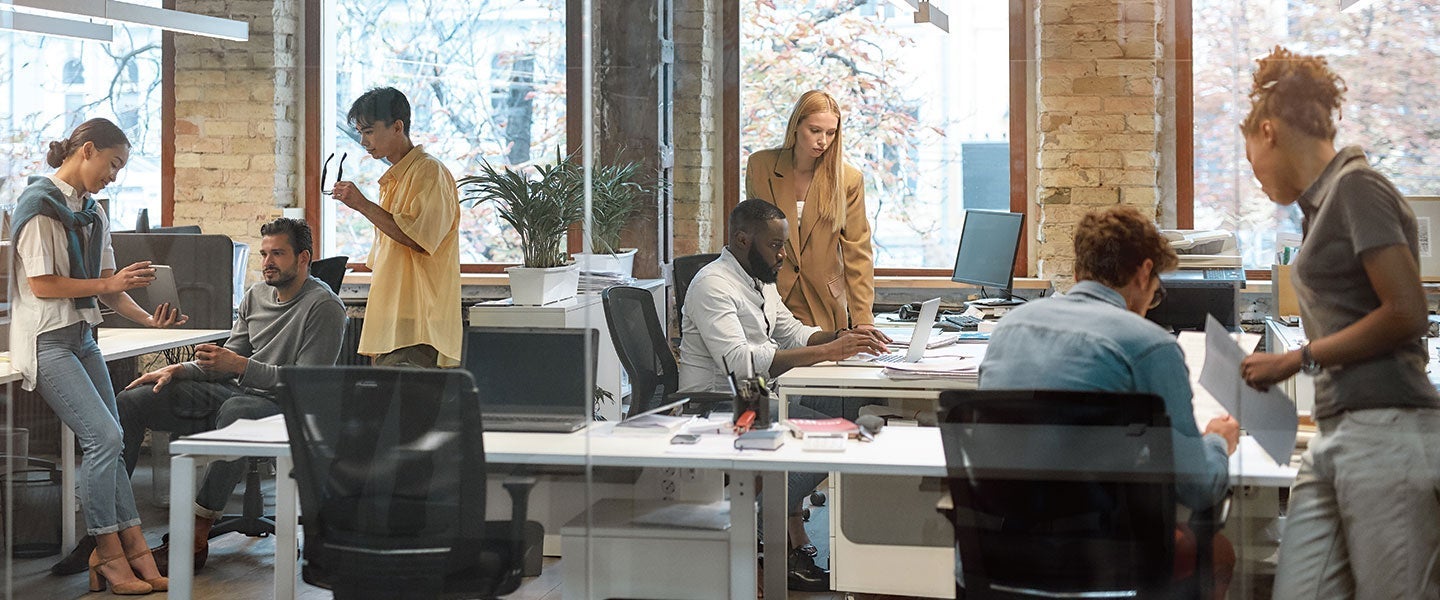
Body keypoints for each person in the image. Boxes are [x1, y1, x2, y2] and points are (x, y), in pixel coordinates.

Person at [1237, 47, 1440, 598]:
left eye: (1250, 157)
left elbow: (1406, 313)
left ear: (1269, 131)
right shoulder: (1321, 207)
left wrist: (1296, 359)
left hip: (1388, 429)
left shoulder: (1357, 188)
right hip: (1337, 432)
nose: (1254, 176)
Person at [979, 205, 1240, 598]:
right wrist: (1218, 440)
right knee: (1220, 551)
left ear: (1079, 272)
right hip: (1106, 561)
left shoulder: (1007, 330)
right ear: (1143, 272)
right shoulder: (1150, 345)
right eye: (1155, 290)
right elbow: (1198, 488)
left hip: (1002, 554)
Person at [10, 117, 187, 594]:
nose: (115, 175)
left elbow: (109, 288)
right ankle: (107, 554)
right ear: (86, 150)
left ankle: (135, 551)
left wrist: (148, 320)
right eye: (113, 164)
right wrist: (109, 284)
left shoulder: (92, 211)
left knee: (114, 439)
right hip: (47, 340)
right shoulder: (39, 205)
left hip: (83, 337)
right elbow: (43, 286)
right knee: (105, 438)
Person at [114, 217, 345, 574]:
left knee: (237, 411)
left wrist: (239, 366)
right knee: (133, 400)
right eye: (264, 253)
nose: (267, 261)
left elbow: (307, 383)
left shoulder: (324, 307)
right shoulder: (255, 295)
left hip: (289, 406)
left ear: (303, 259)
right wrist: (179, 370)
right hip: (238, 391)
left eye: (278, 254)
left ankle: (196, 530)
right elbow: (226, 362)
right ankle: (115, 530)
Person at [677, 198, 888, 591]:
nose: (784, 254)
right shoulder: (712, 285)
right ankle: (754, 533)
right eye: (776, 245)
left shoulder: (758, 279)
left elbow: (791, 332)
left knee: (850, 406)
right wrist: (825, 353)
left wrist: (842, 337)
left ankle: (785, 533)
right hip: (719, 403)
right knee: (833, 433)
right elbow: (739, 363)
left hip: (757, 393)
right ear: (742, 239)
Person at [330, 86, 461, 368]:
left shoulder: (429, 172)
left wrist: (362, 205)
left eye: (369, 131)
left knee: (407, 409)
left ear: (397, 126)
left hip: (417, 322)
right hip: (393, 321)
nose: (363, 141)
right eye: (360, 132)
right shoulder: (394, 178)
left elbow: (419, 238)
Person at [745, 90, 883, 338]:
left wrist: (863, 319)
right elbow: (750, 239)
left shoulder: (848, 180)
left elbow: (857, 252)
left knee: (822, 373)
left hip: (823, 301)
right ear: (796, 125)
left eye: (831, 133)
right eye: (815, 130)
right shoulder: (760, 166)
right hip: (770, 296)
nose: (823, 141)